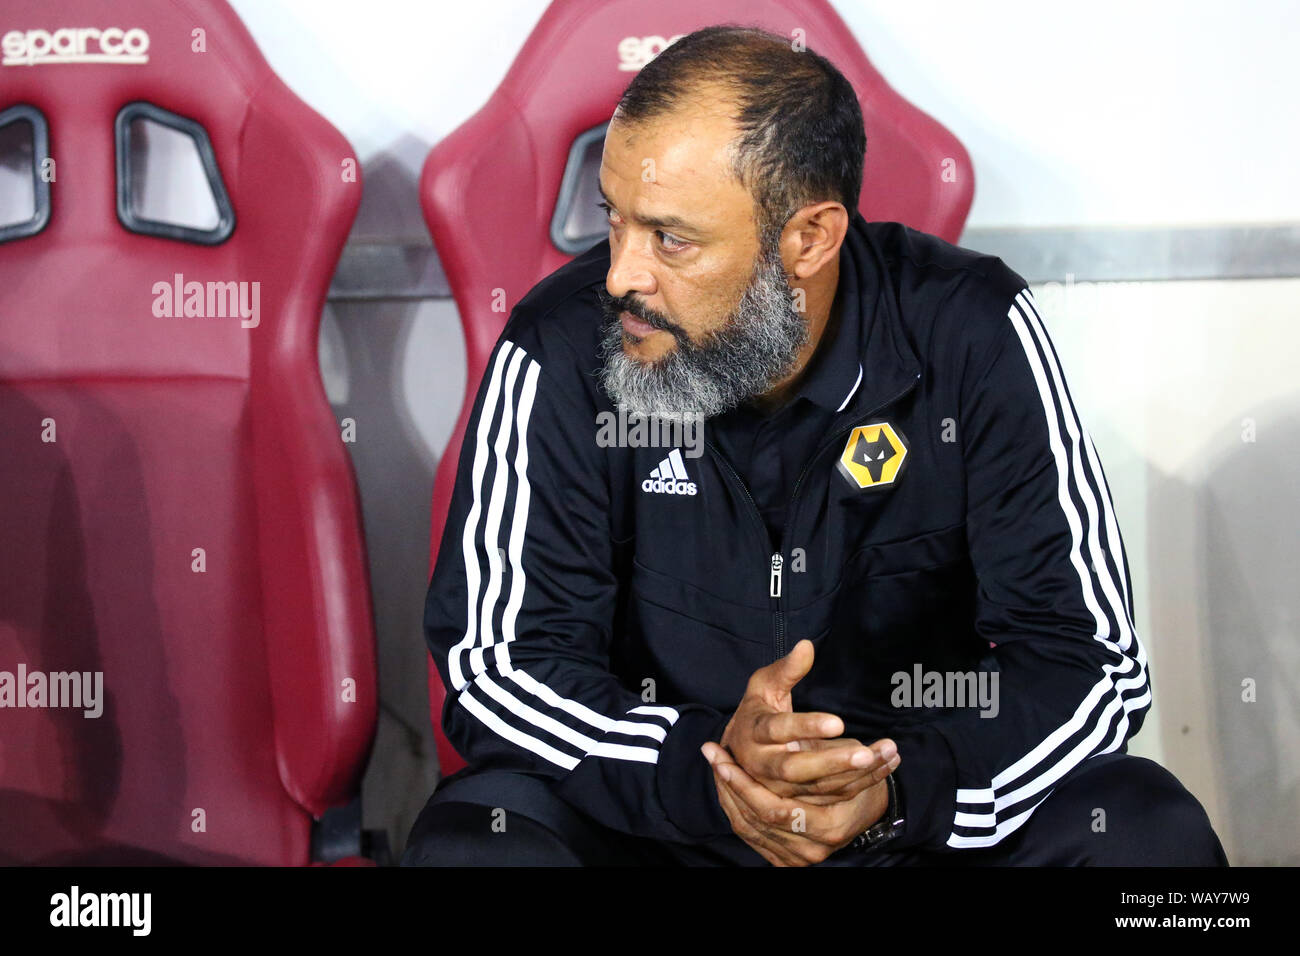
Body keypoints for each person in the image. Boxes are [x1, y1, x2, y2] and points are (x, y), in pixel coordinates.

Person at [402, 25, 1227, 867]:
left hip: (914, 827)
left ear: (808, 240)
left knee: (1145, 832)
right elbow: (499, 666)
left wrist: (898, 792)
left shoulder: (971, 331)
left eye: (670, 238)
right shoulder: (561, 344)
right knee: (476, 842)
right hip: (665, 820)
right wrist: (711, 773)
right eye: (613, 222)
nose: (620, 275)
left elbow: (1089, 660)